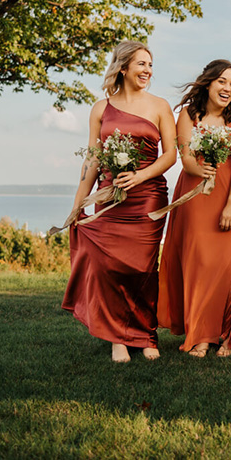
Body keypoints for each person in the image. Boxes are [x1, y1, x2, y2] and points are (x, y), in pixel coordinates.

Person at [62, 40, 177, 363]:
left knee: (143, 268)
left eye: (150, 65)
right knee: (107, 267)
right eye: (141, 64)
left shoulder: (160, 106)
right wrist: (78, 202)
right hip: (109, 198)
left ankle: (145, 334)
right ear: (123, 67)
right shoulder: (101, 109)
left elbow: (170, 154)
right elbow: (93, 159)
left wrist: (140, 177)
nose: (147, 71)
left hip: (148, 197)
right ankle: (117, 338)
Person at [157, 60, 231, 358]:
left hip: (227, 195)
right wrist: (203, 168)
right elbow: (185, 158)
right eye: (222, 81)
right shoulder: (188, 114)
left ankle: (225, 334)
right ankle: (199, 335)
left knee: (226, 266)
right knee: (198, 264)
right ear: (208, 83)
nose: (228, 88)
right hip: (195, 194)